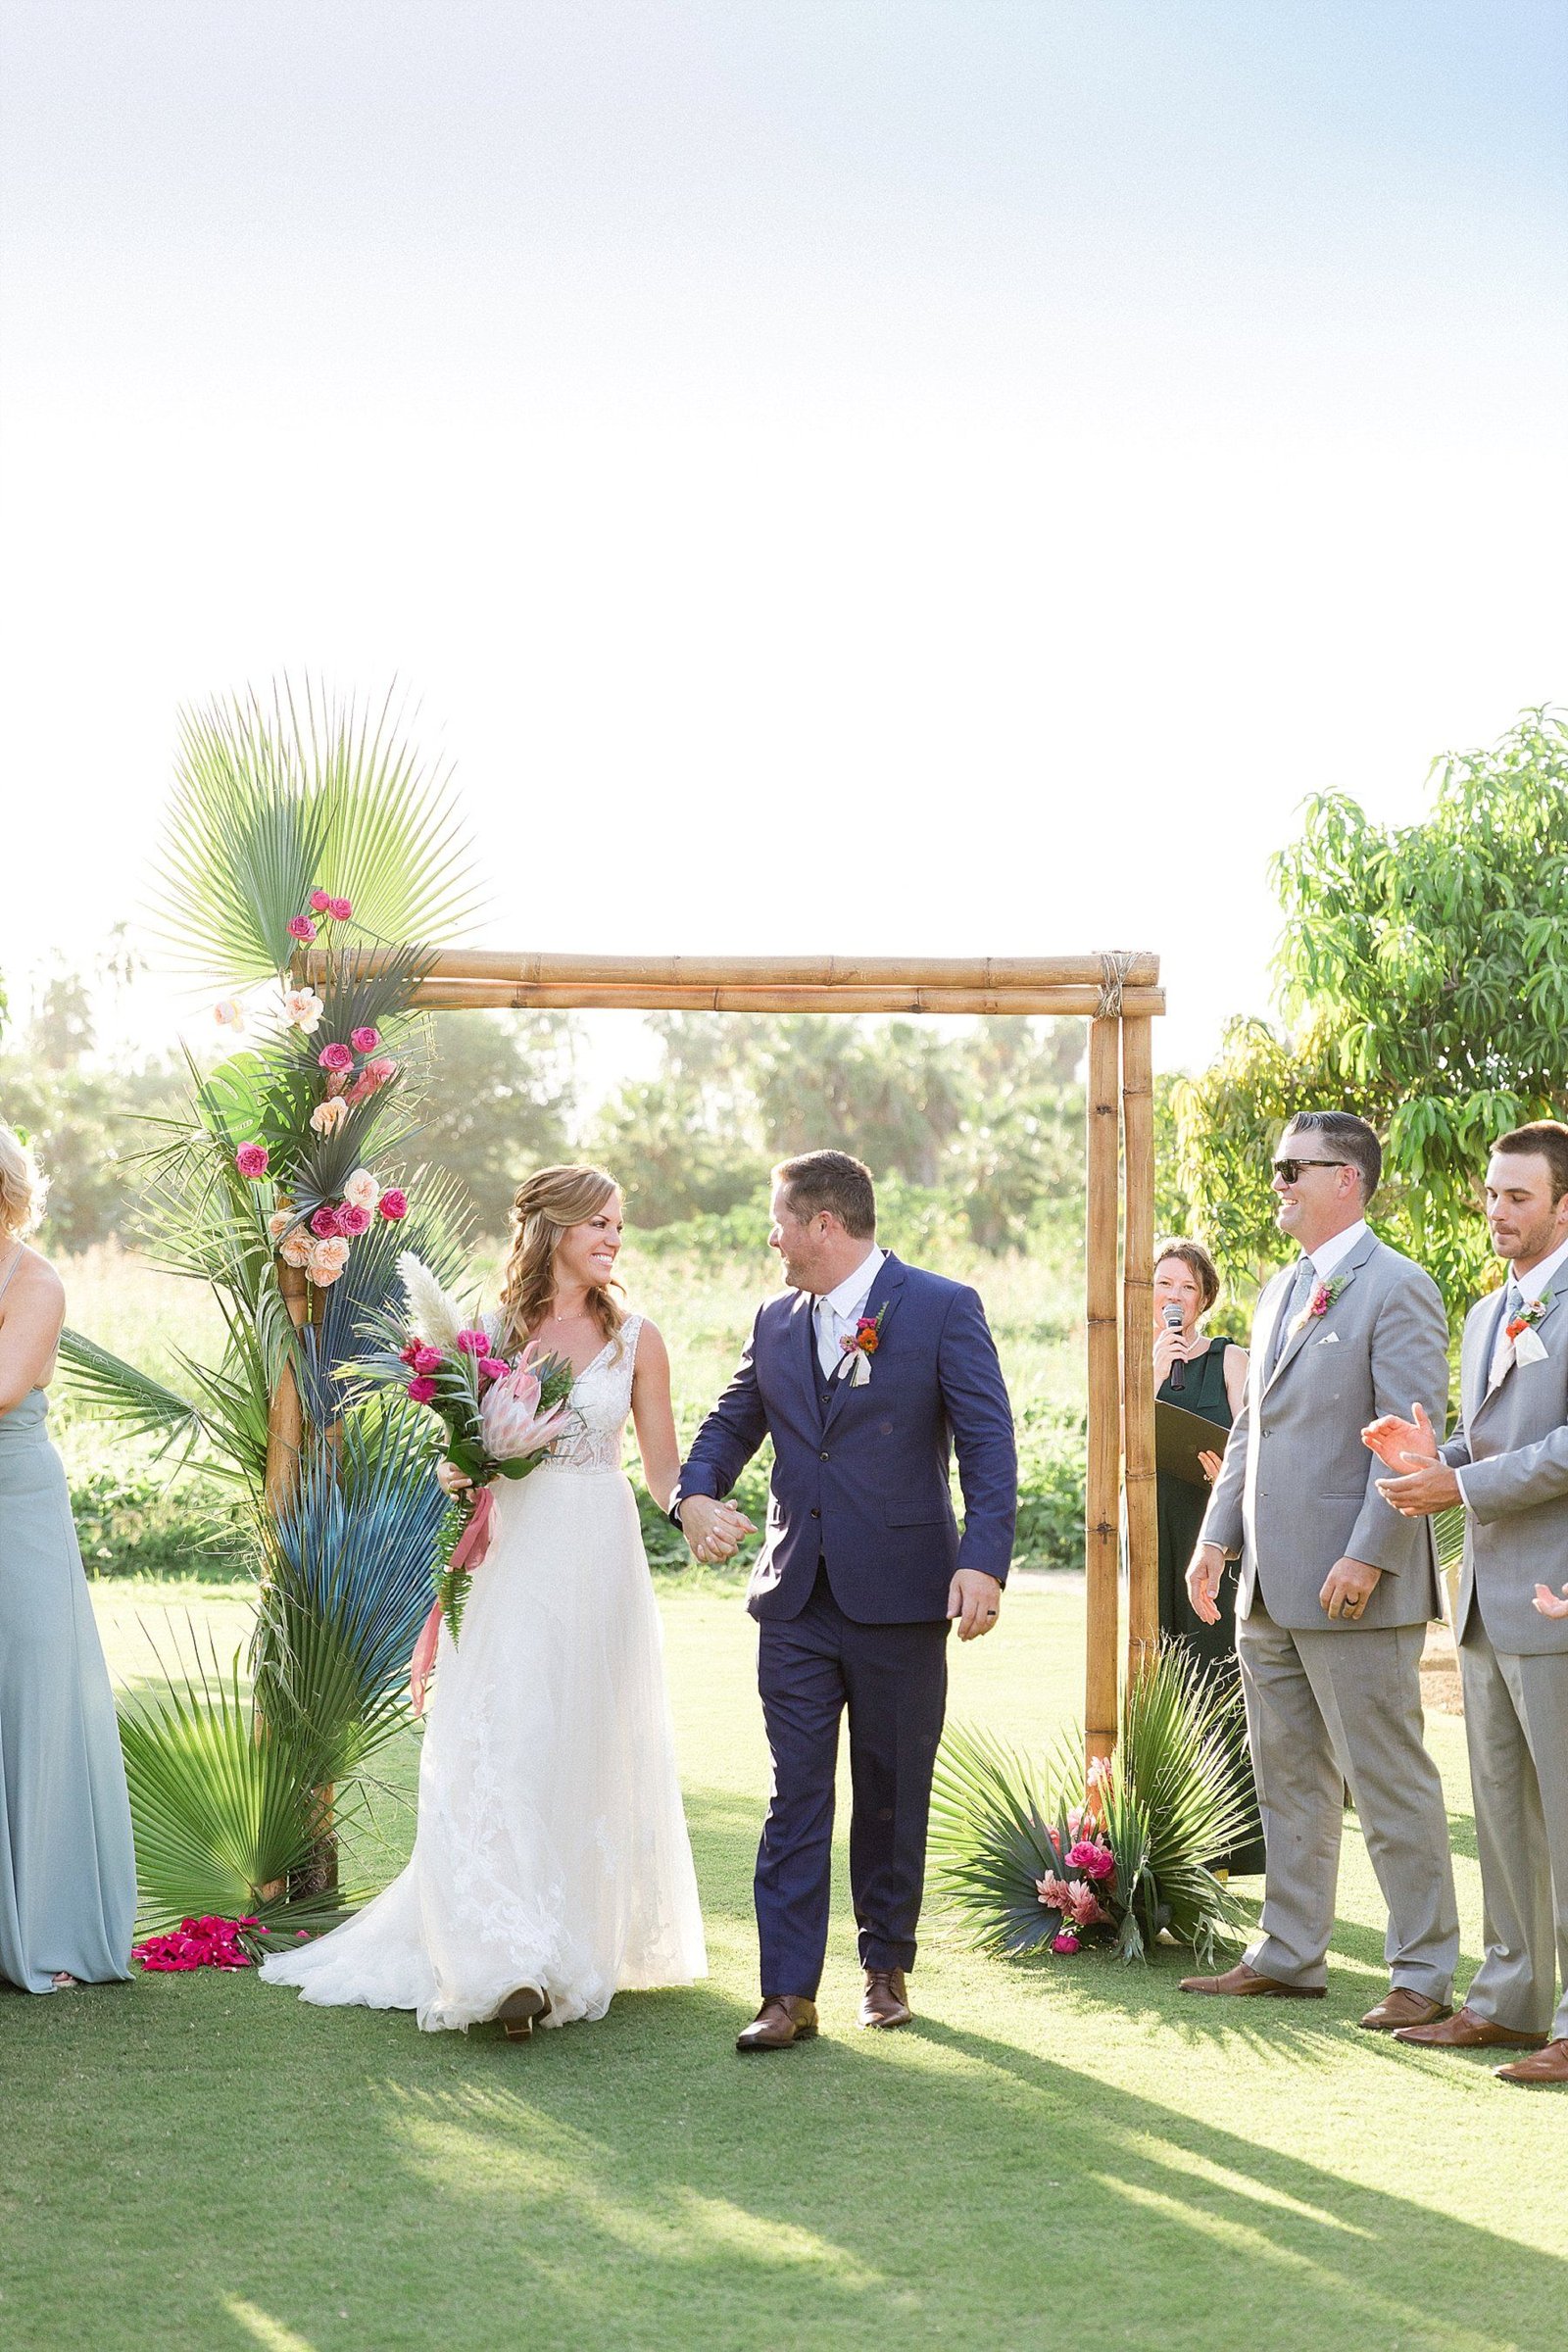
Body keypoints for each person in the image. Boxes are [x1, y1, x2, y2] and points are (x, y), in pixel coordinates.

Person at [261, 1165, 707, 2034]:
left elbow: (661, 1469)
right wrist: (461, 1469)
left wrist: (695, 1509)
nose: (615, 1238)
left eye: (620, 1224)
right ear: (554, 1231)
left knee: (585, 1731)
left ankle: (568, 1934)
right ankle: (502, 1953)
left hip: (600, 1551)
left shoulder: (638, 1338)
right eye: (599, 1224)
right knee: (503, 1731)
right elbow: (460, 1456)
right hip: (511, 1556)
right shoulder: (492, 1332)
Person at [674, 1150, 1016, 2052]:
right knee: (795, 1795)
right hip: (794, 1598)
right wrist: (692, 1493)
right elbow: (730, 1422)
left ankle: (885, 1967)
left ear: (824, 1224)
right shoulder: (775, 1319)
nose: (772, 1241)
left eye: (780, 1223)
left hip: (904, 1593)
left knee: (893, 1790)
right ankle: (786, 1994)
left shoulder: (944, 1307)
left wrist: (983, 1562)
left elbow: (988, 1445)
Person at [1179, 1110, 1460, 2030]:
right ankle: (1290, 1954)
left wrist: (1367, 1555)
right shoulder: (1273, 1293)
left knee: (1387, 1782)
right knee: (1285, 1776)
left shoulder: (1399, 1288)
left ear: (1350, 1179)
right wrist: (1215, 1539)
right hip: (1265, 1583)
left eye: (1296, 1168)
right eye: (1276, 1167)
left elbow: (1405, 1441)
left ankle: (1421, 1974)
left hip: (1353, 1583)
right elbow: (1251, 1432)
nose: (1280, 1182)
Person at [1366, 1121, 1568, 2087]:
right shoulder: (1489, 1314)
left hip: (1554, 1593)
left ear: (1563, 1204)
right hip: (1483, 1599)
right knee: (1502, 1817)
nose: (1496, 1211)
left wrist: (1463, 1488)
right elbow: (1482, 1442)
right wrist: (1427, 1461)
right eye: (1490, 1193)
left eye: (1517, 1196)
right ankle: (1507, 2002)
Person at [0, 1124, 136, 1994]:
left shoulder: (34, 1280)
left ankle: (43, 1925)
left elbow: (4, 1386)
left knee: (34, 1695)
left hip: (16, 1505)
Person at [1151, 1238, 1262, 1874]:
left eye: (1186, 1287)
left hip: (1213, 1529)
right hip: (1154, 1528)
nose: (1173, 1297)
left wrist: (1229, 1480)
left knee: (1216, 1675)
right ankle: (1168, 1843)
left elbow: (1254, 1444)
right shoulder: (1140, 1360)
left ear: (1205, 1297)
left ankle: (1226, 1845)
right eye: (1163, 1285)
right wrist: (1154, 1376)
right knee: (1162, 1671)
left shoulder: (1231, 1359)